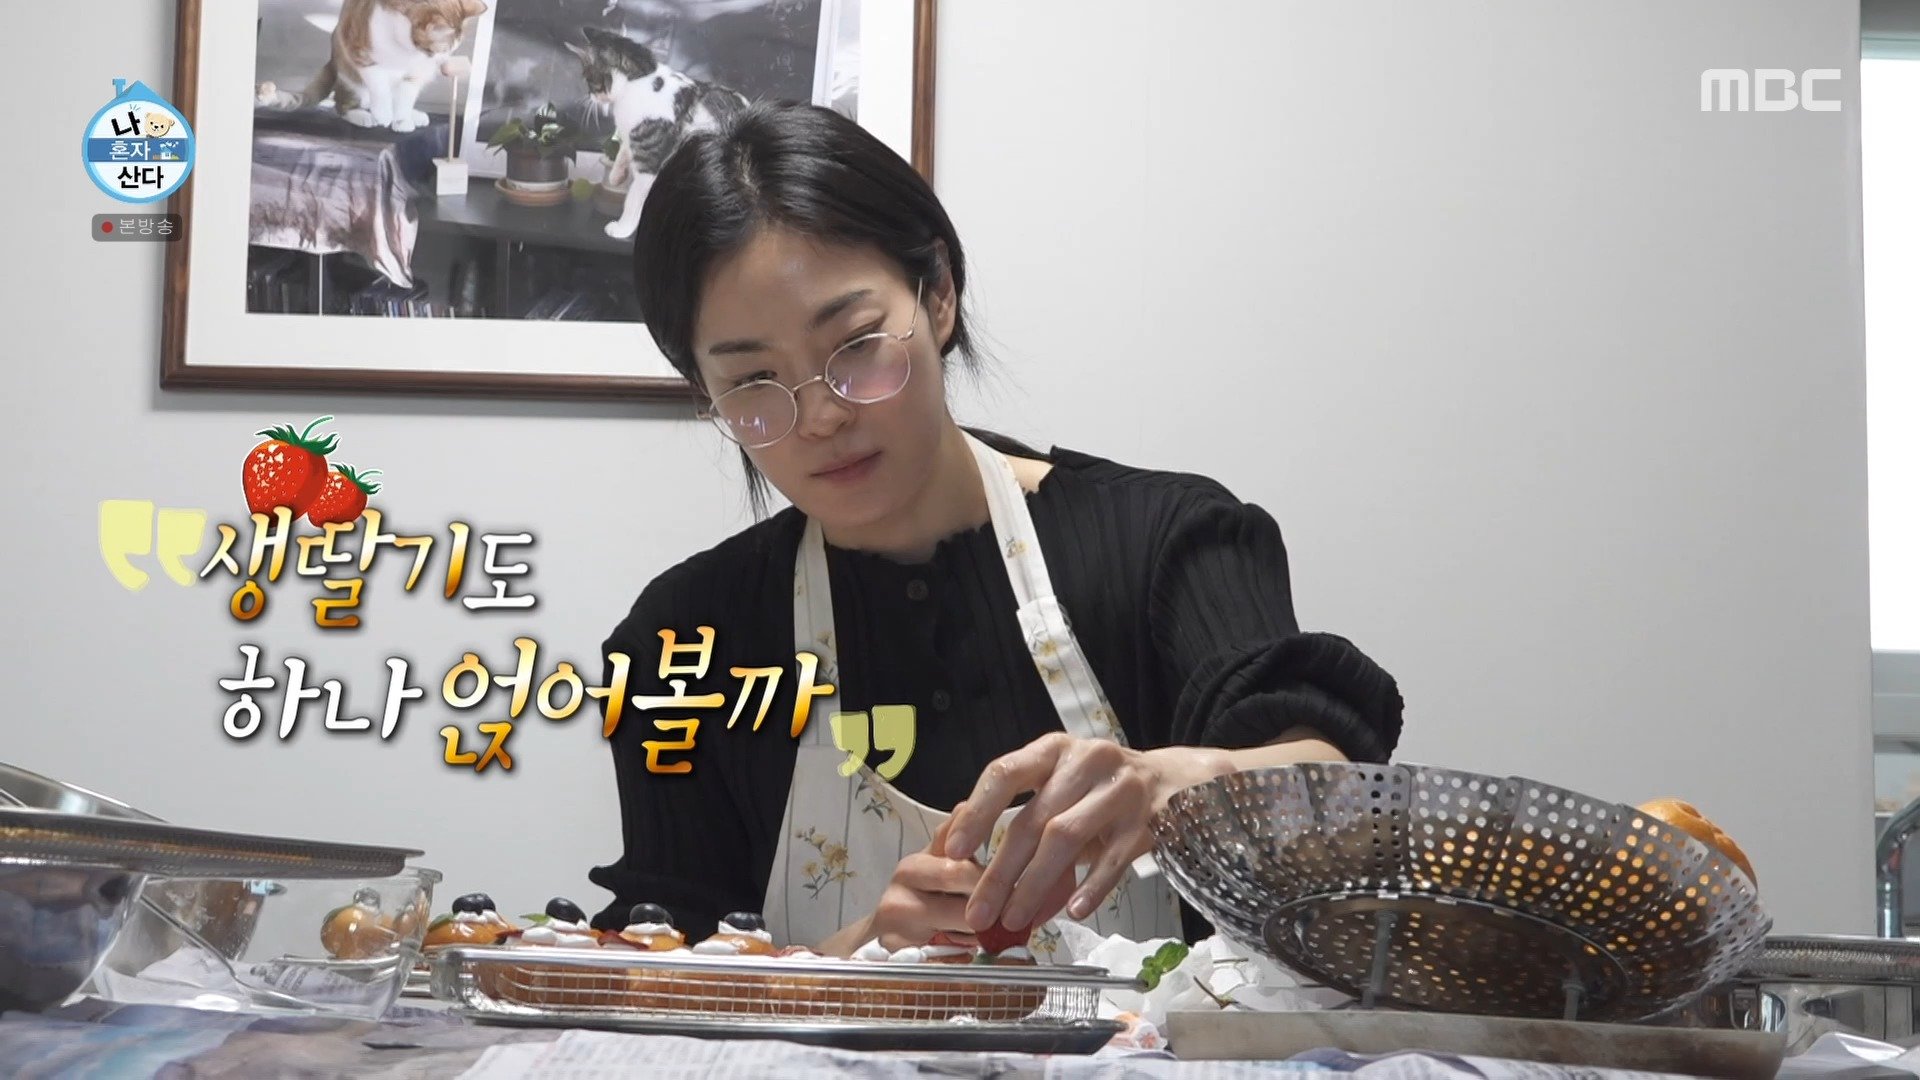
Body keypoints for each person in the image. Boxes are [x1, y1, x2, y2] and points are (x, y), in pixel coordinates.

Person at [587, 101, 1404, 958]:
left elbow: (1344, 794)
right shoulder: (688, 639)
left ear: (938, 294)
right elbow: (663, 973)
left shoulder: (1165, 540)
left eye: (855, 345)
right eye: (753, 381)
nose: (821, 416)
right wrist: (867, 951)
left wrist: (1183, 781)